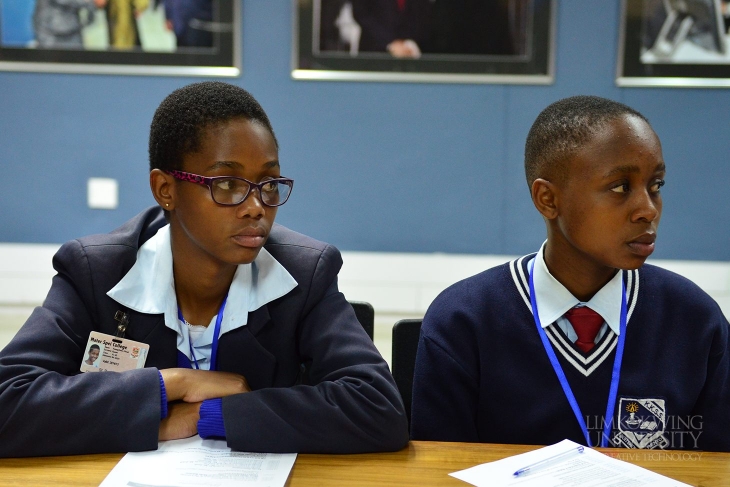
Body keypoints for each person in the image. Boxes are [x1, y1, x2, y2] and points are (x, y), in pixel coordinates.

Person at [0, 81, 408, 457]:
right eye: (226, 183)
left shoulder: (303, 273)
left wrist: (209, 417)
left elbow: (379, 409)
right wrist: (172, 385)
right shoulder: (97, 272)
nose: (256, 207)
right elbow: (8, 401)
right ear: (166, 189)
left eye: (268, 183)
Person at [410, 95, 730, 451]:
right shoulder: (463, 320)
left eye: (656, 186)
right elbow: (438, 470)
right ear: (548, 199)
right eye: (621, 187)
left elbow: (718, 468)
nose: (648, 209)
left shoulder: (695, 319)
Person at [33, 0, 107, 48]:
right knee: (49, 67)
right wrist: (91, 2)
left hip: (73, 32)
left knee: (77, 65)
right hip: (50, 34)